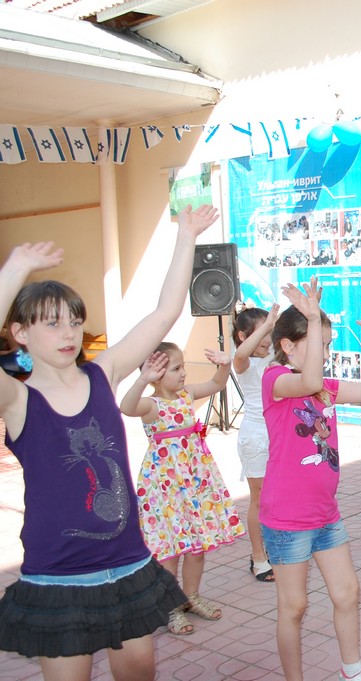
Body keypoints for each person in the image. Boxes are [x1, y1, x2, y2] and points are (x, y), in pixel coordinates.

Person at [0, 204, 218, 680]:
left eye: (74, 321)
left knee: (139, 671)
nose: (68, 333)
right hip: (57, 576)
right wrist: (15, 270)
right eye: (52, 323)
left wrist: (185, 236)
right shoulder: (17, 399)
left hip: (127, 564)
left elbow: (165, 313)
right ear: (20, 333)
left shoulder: (104, 373)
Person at [261, 276, 361, 681]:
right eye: (319, 342)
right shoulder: (275, 380)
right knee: (294, 606)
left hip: (325, 514)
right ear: (288, 346)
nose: (326, 351)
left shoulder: (326, 390)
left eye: (328, 343)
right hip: (287, 519)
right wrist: (314, 318)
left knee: (347, 592)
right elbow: (310, 380)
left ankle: (352, 669)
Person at [120, 342, 246, 635]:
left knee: (197, 547)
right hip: (166, 489)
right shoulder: (151, 405)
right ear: (156, 374)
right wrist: (142, 380)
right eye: (176, 368)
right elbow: (126, 407)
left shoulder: (187, 395)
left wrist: (225, 364)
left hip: (195, 482)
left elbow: (216, 383)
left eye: (183, 367)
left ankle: (191, 596)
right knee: (170, 552)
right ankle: (171, 607)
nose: (183, 373)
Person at [232, 304, 280, 582]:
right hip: (256, 438)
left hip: (279, 433)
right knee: (259, 500)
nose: (267, 338)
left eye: (270, 331)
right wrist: (266, 326)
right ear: (243, 336)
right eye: (262, 332)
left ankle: (277, 549)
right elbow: (240, 355)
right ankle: (258, 557)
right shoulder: (244, 362)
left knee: (279, 496)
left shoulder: (275, 355)